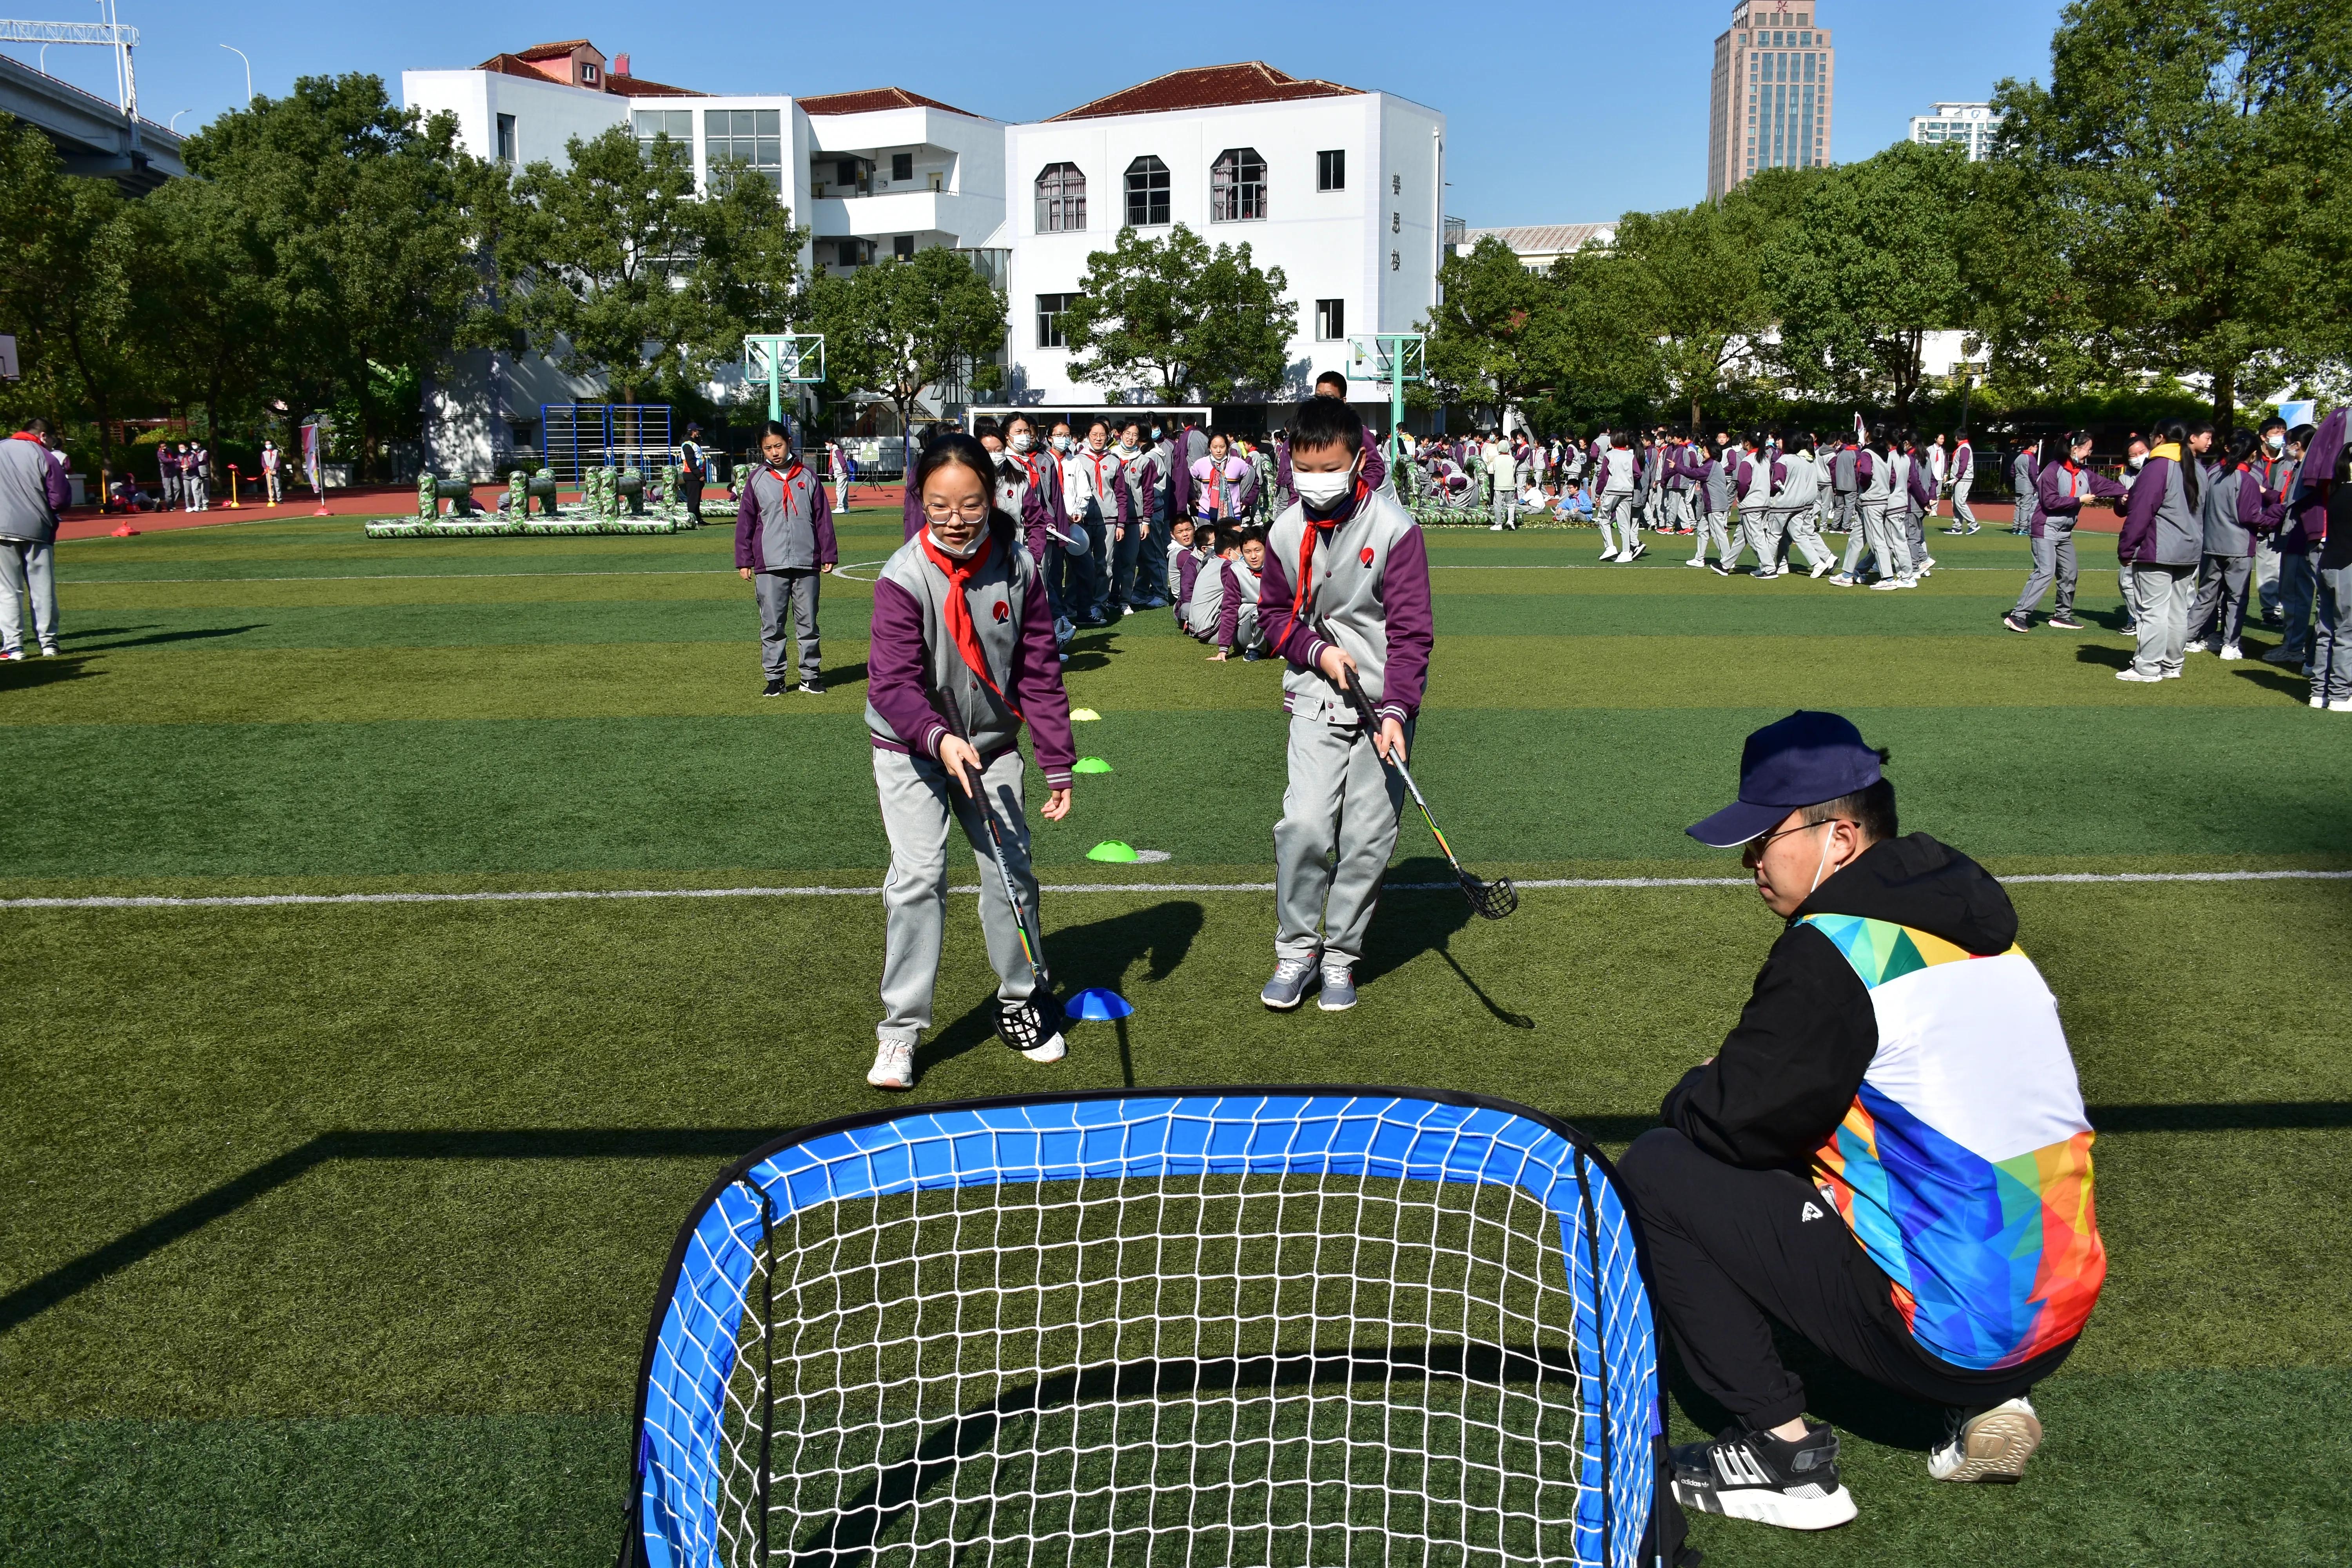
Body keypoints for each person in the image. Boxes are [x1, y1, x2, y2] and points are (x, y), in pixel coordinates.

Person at [1617, 710, 2106, 1533]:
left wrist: (1695, 1085)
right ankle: (1995, 1389)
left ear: (1838, 838)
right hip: (2060, 1303)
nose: (1750, 860)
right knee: (1868, 1132)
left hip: (1955, 1330)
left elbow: (1737, 1120)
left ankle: (1784, 1460)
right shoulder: (1975, 927)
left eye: (1763, 836)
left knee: (1661, 1168)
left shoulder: (1837, 944)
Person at [862, 432, 1078, 1091]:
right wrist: (936, 737)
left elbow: (1039, 669)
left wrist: (1058, 761)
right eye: (939, 506)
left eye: (971, 504)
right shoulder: (902, 577)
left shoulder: (1021, 569)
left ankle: (1019, 1003)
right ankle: (900, 1032)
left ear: (993, 496)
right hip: (912, 750)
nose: (956, 520)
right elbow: (891, 686)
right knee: (920, 878)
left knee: (1012, 875)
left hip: (990, 747)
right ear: (920, 501)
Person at [1254, 394, 1432, 1013]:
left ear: (1359, 460)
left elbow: (1412, 633)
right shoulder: (1283, 528)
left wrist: (1398, 711)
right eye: (1305, 469)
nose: (1317, 482)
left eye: (1330, 468)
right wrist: (1314, 651)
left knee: (1368, 839)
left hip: (1384, 707)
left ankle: (1341, 958)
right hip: (1314, 698)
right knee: (1303, 826)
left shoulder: (1395, 529)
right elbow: (1273, 616)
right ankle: (1297, 948)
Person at [734, 419, 835, 697]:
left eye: (778, 445)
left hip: (806, 562)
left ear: (789, 442)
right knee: (772, 624)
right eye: (768, 448)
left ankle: (810, 676)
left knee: (809, 624)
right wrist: (744, 559)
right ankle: (776, 678)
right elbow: (746, 522)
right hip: (769, 564)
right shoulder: (757, 480)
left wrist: (828, 552)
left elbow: (823, 519)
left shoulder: (809, 477)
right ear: (762, 450)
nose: (774, 452)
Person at [2004, 433, 2121, 634]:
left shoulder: (2084, 473)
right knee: (2045, 572)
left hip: (2065, 532)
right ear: (2075, 448)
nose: (2089, 454)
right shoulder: (2053, 470)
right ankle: (2018, 615)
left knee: (2070, 573)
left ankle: (2062, 616)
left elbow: (2106, 485)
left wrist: (2126, 493)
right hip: (2045, 529)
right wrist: (2079, 501)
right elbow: (2050, 502)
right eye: (2088, 449)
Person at [2114, 419, 2203, 682]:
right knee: (2177, 610)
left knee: (2152, 610)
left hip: (2159, 549)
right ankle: (2172, 664)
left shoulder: (2158, 467)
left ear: (2160, 438)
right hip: (2189, 548)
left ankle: (2148, 667)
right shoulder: (2197, 468)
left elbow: (2141, 511)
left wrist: (2127, 547)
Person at [2183, 430, 2282, 659]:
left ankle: (2189, 636)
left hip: (2211, 543)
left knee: (2206, 595)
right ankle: (2231, 643)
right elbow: (2251, 517)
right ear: (2254, 454)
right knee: (2237, 597)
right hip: (2238, 546)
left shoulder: (2213, 472)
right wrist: (2276, 515)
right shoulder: (2246, 478)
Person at [0, 417, 69, 660]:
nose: (52, 444)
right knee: (42, 589)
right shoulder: (45, 456)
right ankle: (49, 643)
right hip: (38, 529)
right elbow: (60, 499)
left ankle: (14, 647)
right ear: (43, 436)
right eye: (51, 439)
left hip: (1, 529)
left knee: (8, 591)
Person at [2303, 409, 2352, 711]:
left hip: (2330, 563)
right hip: (2347, 565)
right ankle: (2340, 694)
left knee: (2326, 631)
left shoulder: (2335, 494)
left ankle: (2320, 691)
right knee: (2346, 633)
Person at [2267, 422, 2322, 670]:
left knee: (2296, 597)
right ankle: (2293, 645)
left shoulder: (2307, 468)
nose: (2284, 445)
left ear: (2297, 444)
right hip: (2295, 537)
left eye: (2287, 440)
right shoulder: (2301, 466)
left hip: (2299, 539)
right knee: (2294, 595)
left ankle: (2293, 648)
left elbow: (2293, 504)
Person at [1207, 528, 1266, 661]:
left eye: (1258, 550)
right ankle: (1254, 650)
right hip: (1247, 630)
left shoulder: (1277, 567)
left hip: (1273, 625)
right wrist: (1223, 648)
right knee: (1262, 610)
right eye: (1247, 552)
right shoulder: (1236, 571)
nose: (1253, 556)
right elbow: (1230, 607)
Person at [1945, 433, 1978, 534]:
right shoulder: (1963, 447)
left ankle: (1973, 524)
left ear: (1957, 437)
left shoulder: (1964, 448)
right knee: (1955, 502)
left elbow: (1963, 464)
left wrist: (1958, 477)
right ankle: (1957, 527)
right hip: (1960, 478)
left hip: (1963, 478)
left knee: (1960, 502)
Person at [679, 424, 708, 526]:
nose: (699, 433)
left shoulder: (694, 443)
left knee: (697, 499)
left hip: (695, 475)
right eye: (698, 431)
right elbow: (690, 462)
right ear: (694, 432)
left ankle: (698, 519)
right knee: (693, 500)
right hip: (692, 476)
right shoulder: (687, 445)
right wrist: (699, 475)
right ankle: (693, 521)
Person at [261, 439, 283, 506]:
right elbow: (263, 462)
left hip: (276, 471)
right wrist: (267, 469)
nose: (268, 446)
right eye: (267, 445)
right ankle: (271, 498)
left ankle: (280, 499)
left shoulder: (276, 452)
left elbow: (278, 461)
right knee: (270, 486)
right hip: (268, 471)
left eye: (269, 444)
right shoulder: (264, 453)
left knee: (277, 485)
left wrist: (275, 469)